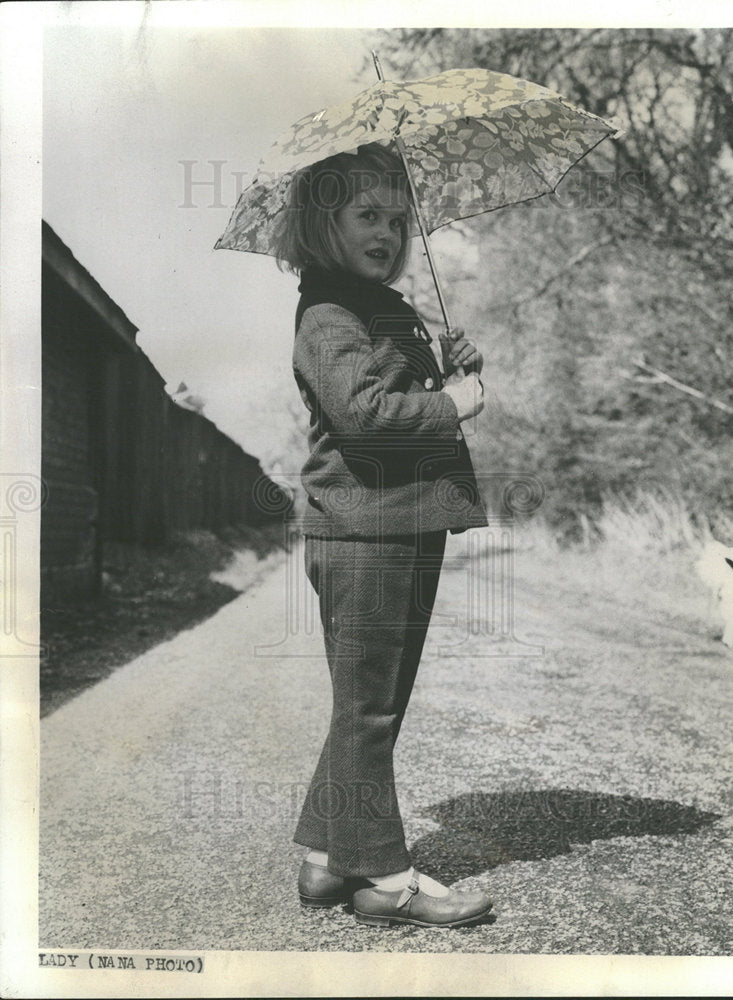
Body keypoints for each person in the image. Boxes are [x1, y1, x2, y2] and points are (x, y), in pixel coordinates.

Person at [272, 142, 492, 928]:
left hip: (400, 525)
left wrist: (450, 366)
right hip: (362, 531)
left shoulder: (381, 309)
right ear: (321, 225)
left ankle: (329, 860)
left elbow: (396, 388)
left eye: (397, 220)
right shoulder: (328, 314)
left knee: (374, 704)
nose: (387, 233)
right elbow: (363, 416)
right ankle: (385, 880)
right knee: (367, 709)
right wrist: (454, 404)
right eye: (366, 215)